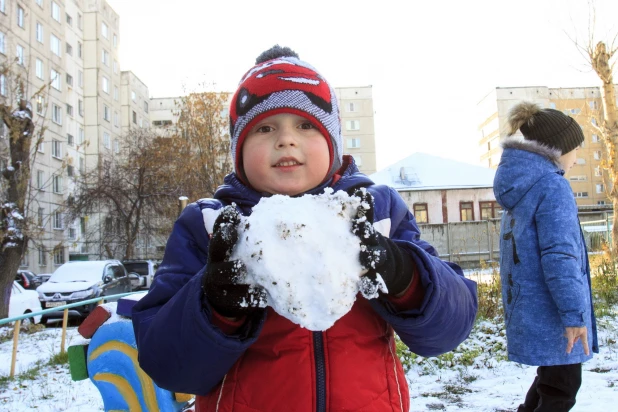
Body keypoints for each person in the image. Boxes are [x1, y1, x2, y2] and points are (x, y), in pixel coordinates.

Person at [132, 45, 478, 412]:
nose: (286, 139)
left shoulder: (377, 212)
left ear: (333, 143)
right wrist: (217, 307)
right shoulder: (210, 226)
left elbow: (448, 329)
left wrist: (404, 275)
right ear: (238, 149)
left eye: (306, 125)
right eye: (264, 128)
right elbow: (167, 367)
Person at [493, 102, 599, 412]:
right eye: (575, 149)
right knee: (561, 390)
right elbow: (560, 256)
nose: (577, 158)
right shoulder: (553, 187)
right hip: (555, 311)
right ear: (557, 150)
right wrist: (573, 316)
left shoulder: (524, 187)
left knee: (551, 381)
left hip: (536, 307)